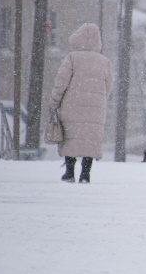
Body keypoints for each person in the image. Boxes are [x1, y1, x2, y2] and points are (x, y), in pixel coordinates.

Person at [49, 23, 114, 183]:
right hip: (96, 108)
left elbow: (61, 82)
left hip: (72, 105)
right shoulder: (104, 61)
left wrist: (54, 101)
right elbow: (109, 85)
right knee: (90, 139)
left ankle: (69, 171)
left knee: (71, 137)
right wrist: (100, 100)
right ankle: (86, 173)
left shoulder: (72, 58)